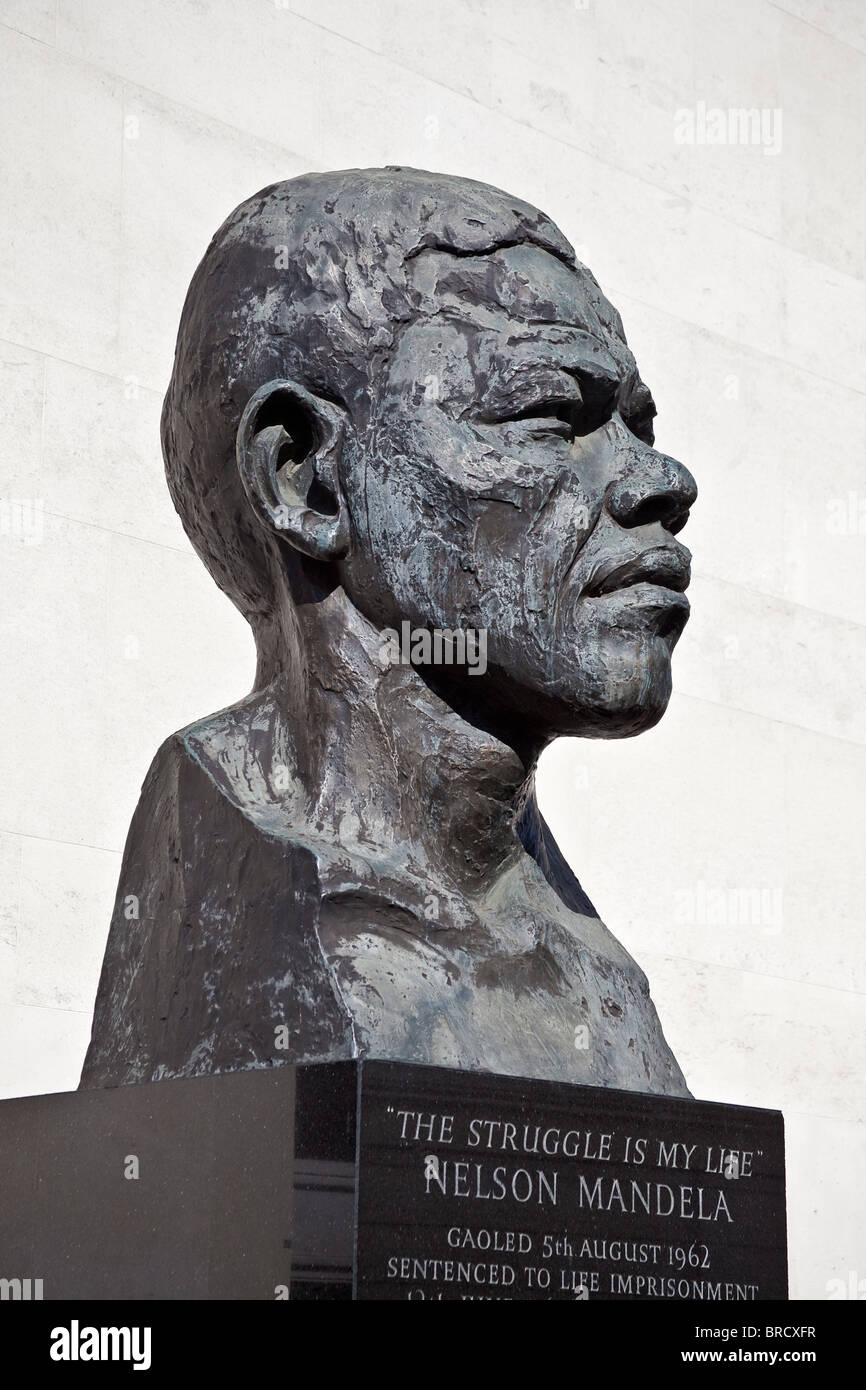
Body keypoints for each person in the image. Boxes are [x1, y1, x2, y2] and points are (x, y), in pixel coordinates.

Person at [80, 167, 696, 1096]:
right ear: (308, 482)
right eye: (546, 416)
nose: (663, 479)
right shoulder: (233, 877)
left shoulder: (596, 975)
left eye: (636, 426)